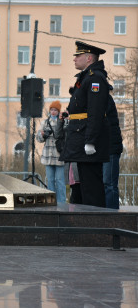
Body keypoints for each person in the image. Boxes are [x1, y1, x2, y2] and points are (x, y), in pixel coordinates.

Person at [60, 41, 110, 208]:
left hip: (86, 140)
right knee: (82, 188)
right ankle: (85, 223)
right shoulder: (86, 77)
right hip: (79, 137)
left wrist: (90, 140)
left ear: (89, 58)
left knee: (91, 189)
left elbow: (95, 112)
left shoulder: (95, 78)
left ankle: (96, 225)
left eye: (78, 56)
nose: (74, 59)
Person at [36, 101, 66, 204]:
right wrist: (43, 135)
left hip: (59, 155)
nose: (53, 112)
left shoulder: (62, 122)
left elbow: (66, 135)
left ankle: (61, 203)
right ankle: (51, 202)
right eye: (52, 110)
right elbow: (38, 138)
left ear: (58, 111)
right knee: (50, 180)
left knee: (60, 181)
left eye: (55, 110)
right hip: (48, 155)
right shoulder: (45, 122)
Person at [103, 88, 123, 209]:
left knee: (109, 183)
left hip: (110, 147)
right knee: (108, 184)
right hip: (108, 147)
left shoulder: (106, 101)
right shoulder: (106, 100)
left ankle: (112, 214)